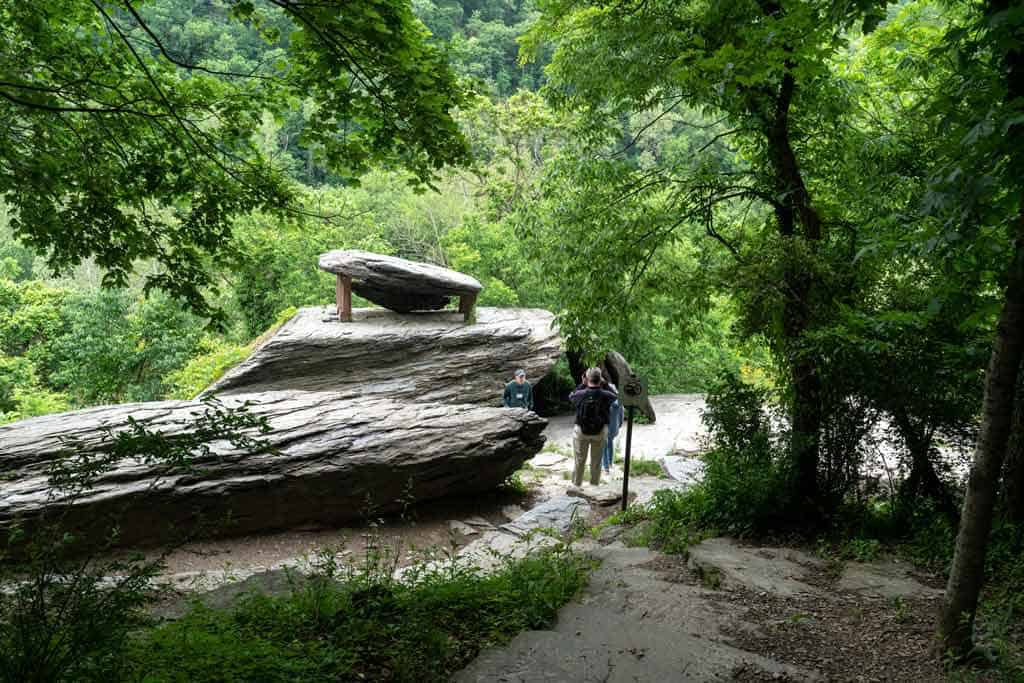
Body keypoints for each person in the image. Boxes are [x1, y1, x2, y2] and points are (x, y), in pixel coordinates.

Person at [569, 367, 619, 487]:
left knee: (579, 461)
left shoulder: (580, 394)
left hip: (581, 431)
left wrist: (582, 384)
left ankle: (576, 486)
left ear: (587, 378)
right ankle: (594, 487)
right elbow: (615, 396)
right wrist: (604, 383)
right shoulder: (606, 395)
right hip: (600, 431)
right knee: (596, 462)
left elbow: (571, 396)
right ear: (599, 379)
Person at [602, 384, 624, 475]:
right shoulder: (619, 402)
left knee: (604, 446)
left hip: (605, 427)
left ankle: (606, 467)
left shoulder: (605, 402)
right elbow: (621, 416)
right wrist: (619, 425)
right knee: (610, 443)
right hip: (614, 428)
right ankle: (610, 463)